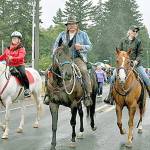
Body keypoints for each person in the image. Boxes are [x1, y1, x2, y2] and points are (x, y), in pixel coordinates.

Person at [44, 16, 92, 107]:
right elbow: (55, 46)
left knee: (84, 71)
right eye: (69, 24)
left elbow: (90, 46)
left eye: (73, 24)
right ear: (67, 26)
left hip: (77, 58)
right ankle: (48, 94)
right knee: (48, 71)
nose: (71, 26)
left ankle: (87, 95)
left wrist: (81, 47)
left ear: (77, 25)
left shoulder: (83, 34)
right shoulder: (62, 35)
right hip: (63, 59)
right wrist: (55, 55)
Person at [104, 25, 150, 104]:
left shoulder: (138, 41)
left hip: (135, 64)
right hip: (123, 64)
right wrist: (121, 60)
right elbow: (118, 52)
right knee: (112, 77)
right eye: (133, 31)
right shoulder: (123, 40)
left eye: (136, 31)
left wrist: (136, 61)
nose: (135, 32)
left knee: (145, 77)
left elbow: (140, 53)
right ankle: (110, 96)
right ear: (129, 31)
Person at [0, 31, 31, 98]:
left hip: (19, 65)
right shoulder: (8, 49)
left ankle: (27, 89)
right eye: (13, 38)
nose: (14, 39)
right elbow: (3, 56)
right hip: (10, 66)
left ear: (19, 40)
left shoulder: (21, 48)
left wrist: (13, 58)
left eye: (15, 38)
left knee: (23, 74)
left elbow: (21, 57)